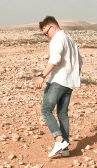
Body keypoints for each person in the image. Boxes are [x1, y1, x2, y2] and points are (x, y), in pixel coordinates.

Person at [34, 16, 83, 158]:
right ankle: (65, 149)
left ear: (53, 27)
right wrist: (74, 77)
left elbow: (55, 59)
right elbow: (80, 62)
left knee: (46, 109)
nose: (47, 36)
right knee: (62, 113)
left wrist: (42, 76)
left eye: (46, 33)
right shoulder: (70, 40)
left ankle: (59, 140)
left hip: (59, 80)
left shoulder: (57, 39)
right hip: (70, 82)